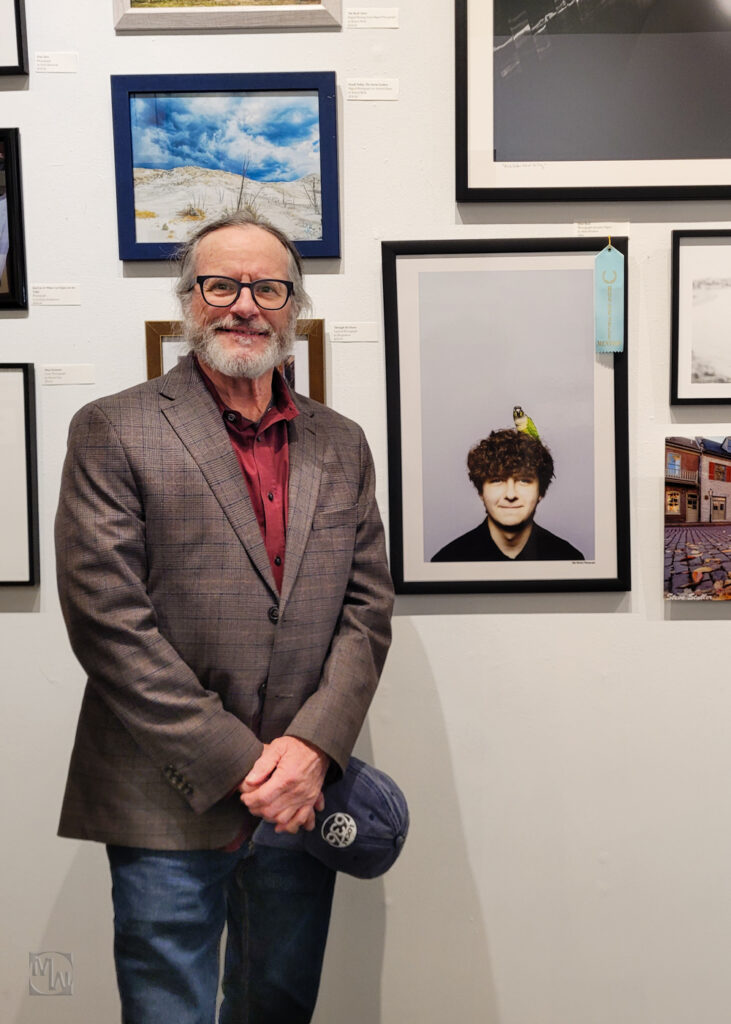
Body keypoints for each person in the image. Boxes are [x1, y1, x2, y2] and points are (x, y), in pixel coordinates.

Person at [55, 210, 394, 1024]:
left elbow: (367, 606)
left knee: (276, 1005)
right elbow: (109, 620)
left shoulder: (340, 442)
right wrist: (246, 766)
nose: (244, 303)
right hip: (165, 789)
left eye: (267, 286)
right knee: (167, 1010)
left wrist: (311, 749)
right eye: (221, 284)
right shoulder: (113, 427)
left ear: (294, 306)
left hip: (301, 792)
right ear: (188, 300)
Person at [431, 428, 584, 562]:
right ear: (480, 492)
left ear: (541, 492)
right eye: (497, 480)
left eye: (524, 480)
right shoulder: (448, 560)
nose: (510, 494)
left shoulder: (569, 558)